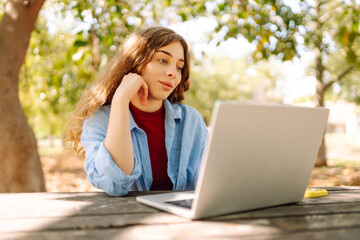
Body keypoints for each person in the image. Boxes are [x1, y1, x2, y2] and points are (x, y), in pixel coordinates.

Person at [64, 27, 208, 197]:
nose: (173, 73)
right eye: (163, 60)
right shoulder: (100, 119)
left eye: (179, 67)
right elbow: (115, 185)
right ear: (136, 61)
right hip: (126, 217)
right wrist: (121, 100)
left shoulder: (190, 120)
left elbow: (210, 180)